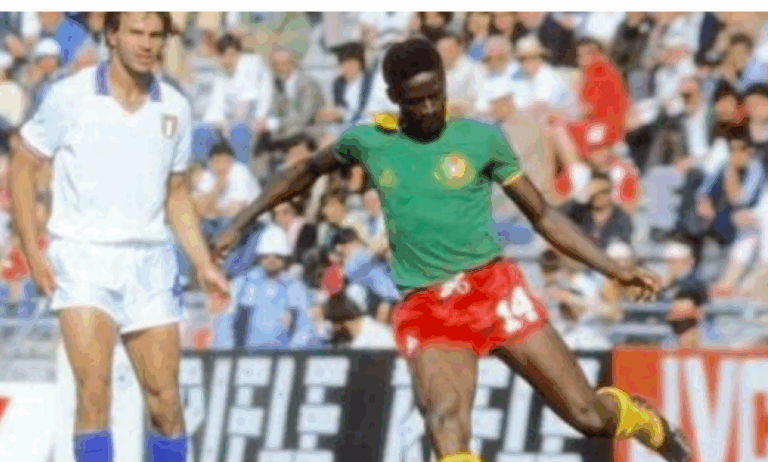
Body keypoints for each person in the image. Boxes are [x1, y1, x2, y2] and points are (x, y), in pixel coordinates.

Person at [212, 38, 690, 462]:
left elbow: (543, 215)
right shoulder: (369, 141)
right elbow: (304, 171)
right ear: (394, 97)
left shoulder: (479, 138)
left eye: (435, 94)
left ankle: (642, 420)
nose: (428, 108)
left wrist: (614, 268)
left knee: (587, 416)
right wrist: (241, 220)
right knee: (445, 423)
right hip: (428, 307)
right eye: (415, 100)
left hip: (493, 290)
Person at [9, 12, 229, 462]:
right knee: (95, 390)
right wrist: (32, 250)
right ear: (112, 36)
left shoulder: (175, 106)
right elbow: (22, 165)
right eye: (136, 33)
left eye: (156, 35)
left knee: (166, 401)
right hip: (83, 257)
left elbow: (176, 194)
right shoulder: (69, 96)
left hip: (150, 261)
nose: (146, 44)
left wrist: (203, 263)